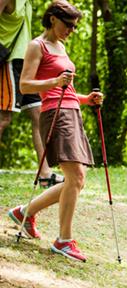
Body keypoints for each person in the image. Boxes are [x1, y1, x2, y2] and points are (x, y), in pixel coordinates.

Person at [7, 0, 102, 262]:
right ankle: (63, 240)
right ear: (52, 19)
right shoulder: (37, 46)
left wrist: (87, 99)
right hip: (55, 114)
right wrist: (55, 81)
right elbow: (26, 86)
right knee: (77, 177)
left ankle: (24, 212)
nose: (71, 30)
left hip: (72, 112)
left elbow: (66, 91)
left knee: (76, 179)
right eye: (68, 24)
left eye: (74, 26)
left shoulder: (61, 47)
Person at [0, 0, 56, 187]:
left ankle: (45, 174)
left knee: (39, 115)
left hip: (26, 61)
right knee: (2, 119)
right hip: (8, 60)